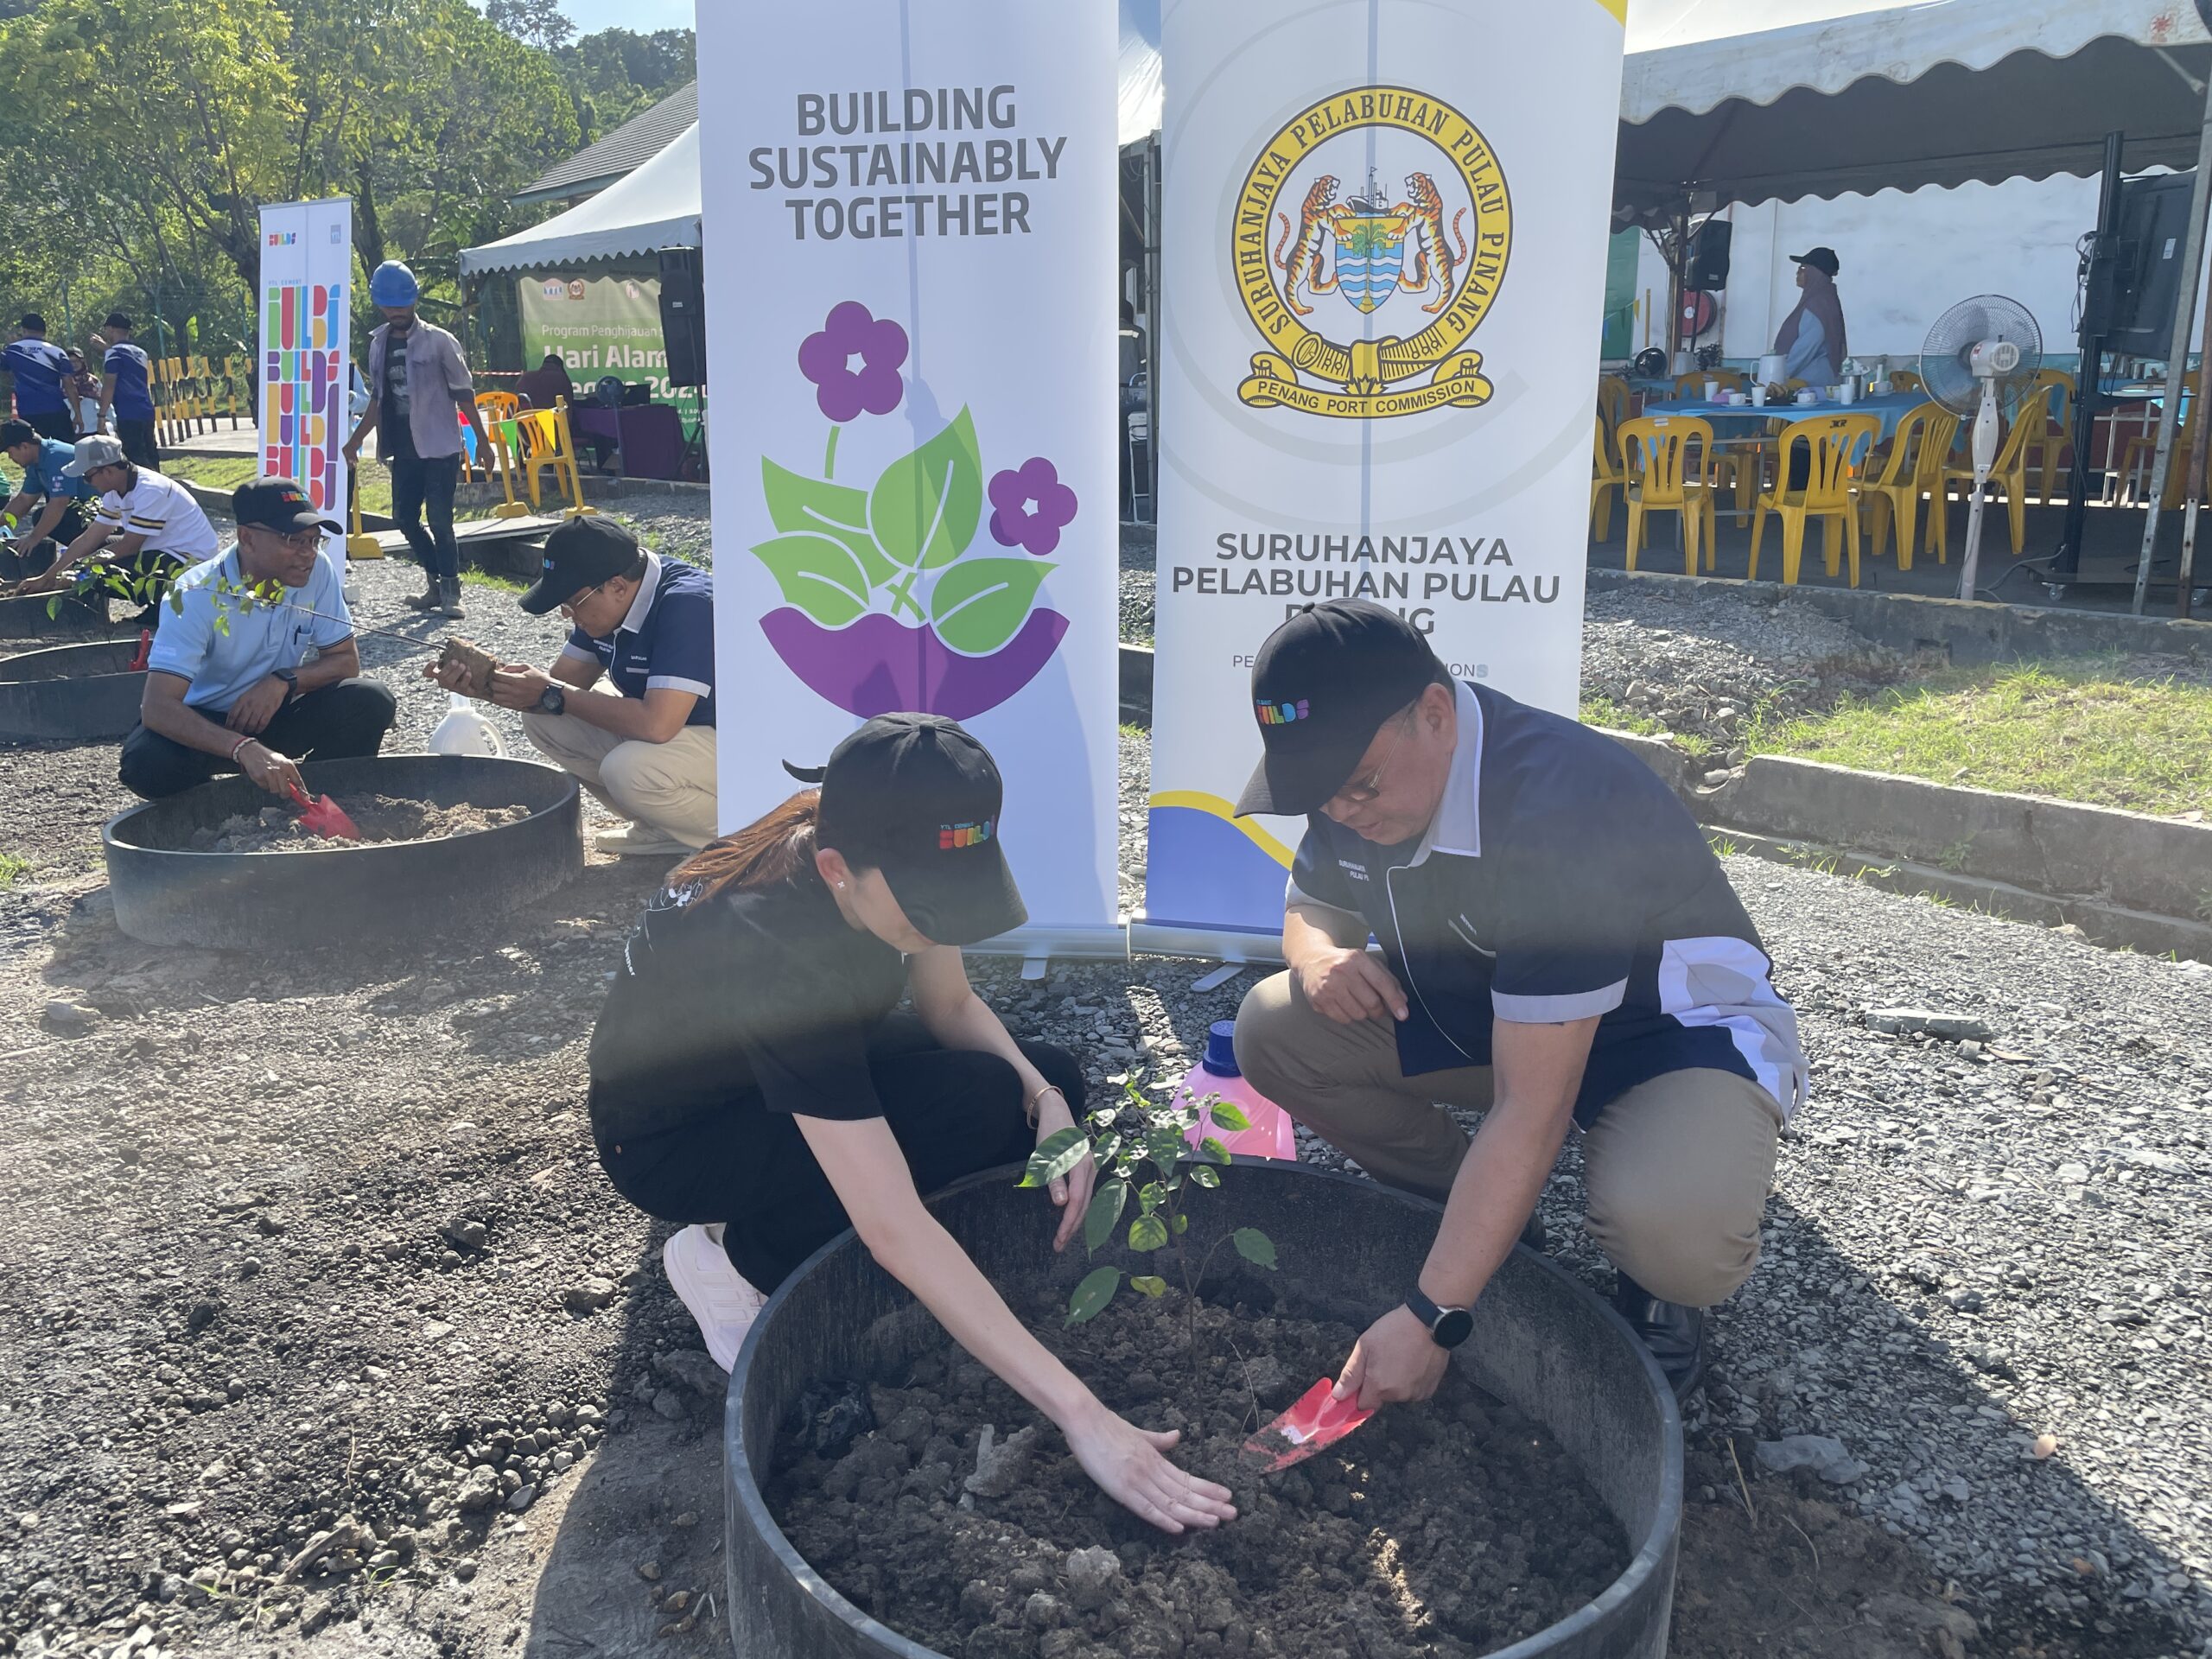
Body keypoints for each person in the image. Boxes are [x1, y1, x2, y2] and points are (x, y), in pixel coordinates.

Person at [588, 712, 1237, 1535]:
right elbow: (892, 1224)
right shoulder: (774, 947)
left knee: (1039, 1081)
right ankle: (733, 1261)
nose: (942, 923)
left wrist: (1049, 1104)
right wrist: (1085, 1416)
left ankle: (937, 1233)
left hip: (775, 1055)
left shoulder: (863, 831)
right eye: (928, 910)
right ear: (835, 869)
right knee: (959, 1116)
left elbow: (951, 1004)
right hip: (677, 1137)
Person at [1229, 601, 1807, 1403]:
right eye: (1319, 795)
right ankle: (1477, 1216)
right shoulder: (1361, 786)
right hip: (1499, 1004)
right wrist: (1321, 957)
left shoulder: (1558, 807)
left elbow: (1533, 1104)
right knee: (1273, 1028)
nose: (1341, 812)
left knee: (1674, 1229)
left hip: (1665, 1031)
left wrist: (1435, 1316)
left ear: (1435, 714)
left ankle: (1655, 1283)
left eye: (1357, 787)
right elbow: (1312, 905)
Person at [429, 517, 715, 856]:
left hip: (745, 744)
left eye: (571, 602)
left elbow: (657, 725)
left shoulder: (689, 605)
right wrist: (482, 685)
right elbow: (561, 685)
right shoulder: (605, 599)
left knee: (627, 769)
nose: (566, 614)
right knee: (546, 720)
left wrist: (551, 692)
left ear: (618, 587)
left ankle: (741, 838)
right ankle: (667, 827)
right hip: (686, 733)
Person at [119, 477, 396, 801]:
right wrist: (241, 747)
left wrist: (284, 681)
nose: (308, 553)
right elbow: (157, 706)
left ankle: (321, 799)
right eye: (294, 540)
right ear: (247, 538)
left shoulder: (316, 571)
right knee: (146, 761)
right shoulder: (196, 593)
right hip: (205, 723)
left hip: (275, 711)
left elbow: (347, 662)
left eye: (314, 541)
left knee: (371, 699)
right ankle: (217, 809)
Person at [342, 260, 490, 620]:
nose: (396, 312)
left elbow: (465, 395)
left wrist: (482, 443)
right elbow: (377, 399)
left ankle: (452, 590)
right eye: (389, 306)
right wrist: (355, 441)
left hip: (440, 446)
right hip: (403, 447)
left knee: (440, 518)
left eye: (402, 304)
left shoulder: (440, 342)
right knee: (404, 518)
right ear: (379, 304)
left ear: (414, 301)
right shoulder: (377, 345)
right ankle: (434, 583)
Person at [8, 435, 219, 619]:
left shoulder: (151, 490)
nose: (87, 483)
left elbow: (129, 546)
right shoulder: (114, 491)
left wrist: (79, 568)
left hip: (187, 562)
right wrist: (48, 577)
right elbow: (90, 538)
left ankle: (162, 605)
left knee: (101, 572)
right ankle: (156, 605)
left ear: (107, 471)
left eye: (87, 477)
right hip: (158, 549)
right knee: (94, 560)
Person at [0, 419, 96, 588]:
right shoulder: (35, 463)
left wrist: (33, 537)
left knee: (43, 519)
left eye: (10, 452)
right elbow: (24, 499)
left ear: (24, 446)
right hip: (83, 512)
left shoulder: (55, 457)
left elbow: (59, 503)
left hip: (103, 513)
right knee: (39, 516)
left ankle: (86, 561)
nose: (10, 457)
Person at [1772, 246, 1847, 389]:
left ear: (1815, 273)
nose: (1797, 273)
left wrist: (1778, 376)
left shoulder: (1818, 303)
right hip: (1819, 381)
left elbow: (1805, 348)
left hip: (1810, 386)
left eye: (1802, 268)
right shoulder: (1826, 298)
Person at [98, 314, 162, 470]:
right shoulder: (141, 352)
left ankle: (146, 490)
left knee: (135, 457)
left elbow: (109, 385)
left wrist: (102, 415)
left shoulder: (112, 353)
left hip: (127, 411)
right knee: (151, 452)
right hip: (146, 409)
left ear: (111, 329)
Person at [1, 315, 77, 443]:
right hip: (57, 410)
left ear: (23, 330)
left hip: (28, 411)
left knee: (35, 452)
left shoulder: (12, 351)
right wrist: (78, 414)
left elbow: (4, 370)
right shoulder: (57, 352)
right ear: (44, 331)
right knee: (68, 450)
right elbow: (70, 385)